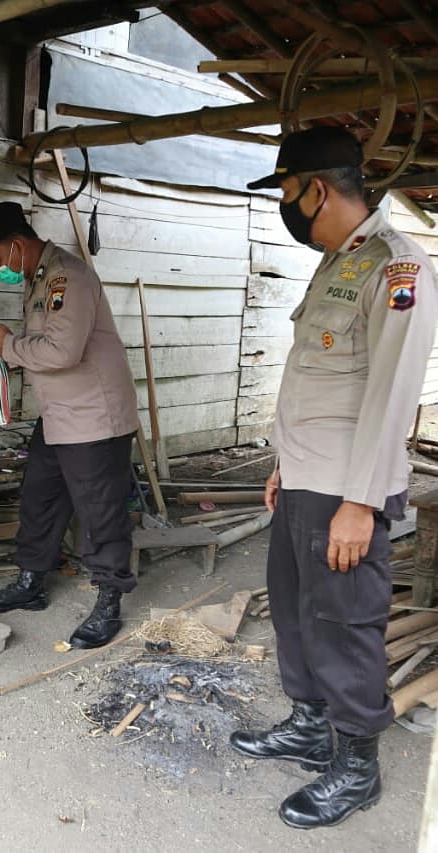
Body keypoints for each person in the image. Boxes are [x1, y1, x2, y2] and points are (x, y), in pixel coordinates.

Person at [230, 126, 438, 829]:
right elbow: (317, 381)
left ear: (315, 188)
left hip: (346, 485)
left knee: (343, 623)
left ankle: (355, 766)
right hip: (303, 479)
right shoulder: (337, 260)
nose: (287, 206)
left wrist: (359, 501)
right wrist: (283, 466)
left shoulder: (396, 267)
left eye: (287, 192)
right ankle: (309, 723)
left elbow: (387, 394)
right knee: (293, 610)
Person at [0, 202, 139, 648]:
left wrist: (7, 347)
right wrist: (10, 344)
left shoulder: (68, 277)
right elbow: (43, 343)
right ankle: (31, 582)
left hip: (94, 418)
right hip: (61, 415)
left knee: (101, 513)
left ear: (17, 244)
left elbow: (62, 353)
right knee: (39, 498)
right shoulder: (39, 278)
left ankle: (109, 600)